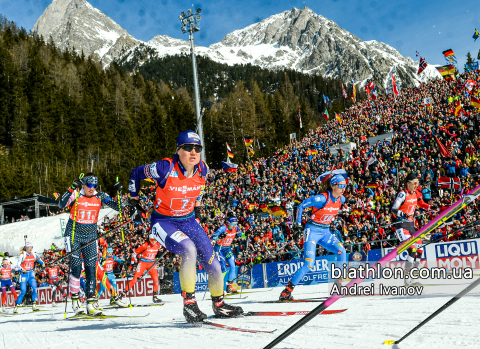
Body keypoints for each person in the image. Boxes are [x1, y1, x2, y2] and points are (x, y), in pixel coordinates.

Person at [128, 130, 243, 322]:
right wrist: (134, 201)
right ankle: (189, 305)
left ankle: (219, 304)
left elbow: (199, 189)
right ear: (178, 150)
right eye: (188, 148)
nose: (193, 152)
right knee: (189, 249)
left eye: (197, 148)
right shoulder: (164, 168)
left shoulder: (203, 169)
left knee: (213, 262)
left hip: (188, 220)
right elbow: (136, 173)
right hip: (163, 222)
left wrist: (197, 208)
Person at [58, 172, 126, 315]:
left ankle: (90, 304)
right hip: (73, 235)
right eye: (89, 185)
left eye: (94, 185)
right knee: (76, 269)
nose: (92, 188)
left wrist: (119, 192)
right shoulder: (76, 194)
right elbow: (60, 204)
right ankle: (76, 302)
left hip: (90, 237)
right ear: (83, 184)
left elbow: (119, 207)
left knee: (91, 270)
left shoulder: (99, 195)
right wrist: (70, 188)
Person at [279, 174, 347, 301]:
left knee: (341, 251)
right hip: (312, 231)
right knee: (309, 264)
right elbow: (300, 206)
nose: (344, 189)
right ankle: (287, 291)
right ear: (333, 186)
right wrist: (298, 225)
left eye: (345, 186)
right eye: (341, 186)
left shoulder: (341, 199)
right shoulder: (321, 198)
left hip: (325, 232)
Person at [391, 173, 434, 285]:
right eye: (414, 183)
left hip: (411, 226)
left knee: (420, 249)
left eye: (417, 183)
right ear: (408, 183)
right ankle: (407, 280)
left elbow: (422, 204)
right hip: (401, 226)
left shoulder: (416, 193)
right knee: (412, 250)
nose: (416, 185)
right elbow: (394, 209)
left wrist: (431, 207)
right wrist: (402, 214)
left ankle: (414, 275)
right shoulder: (402, 194)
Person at [125, 234, 163, 303]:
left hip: (151, 264)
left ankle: (155, 297)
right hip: (143, 263)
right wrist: (132, 264)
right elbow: (134, 253)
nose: (153, 242)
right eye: (152, 240)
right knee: (135, 280)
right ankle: (123, 294)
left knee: (156, 280)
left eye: (154, 240)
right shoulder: (145, 245)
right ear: (149, 240)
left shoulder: (158, 245)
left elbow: (160, 250)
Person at [211, 215, 243, 293]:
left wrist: (246, 235)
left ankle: (230, 286)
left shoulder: (236, 228)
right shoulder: (223, 228)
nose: (235, 225)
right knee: (224, 269)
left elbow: (241, 235)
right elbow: (213, 237)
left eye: (236, 223)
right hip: (219, 249)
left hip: (227, 249)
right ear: (228, 223)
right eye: (233, 224)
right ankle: (219, 289)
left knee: (232, 266)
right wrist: (220, 236)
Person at [14, 242, 45, 312]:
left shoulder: (34, 254)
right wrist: (22, 269)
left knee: (34, 288)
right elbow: (18, 265)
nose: (30, 249)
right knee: (23, 291)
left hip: (31, 273)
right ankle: (16, 307)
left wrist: (43, 264)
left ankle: (34, 306)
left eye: (31, 247)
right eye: (29, 247)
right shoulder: (23, 255)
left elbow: (40, 261)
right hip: (24, 274)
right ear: (26, 248)